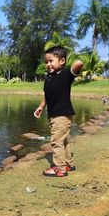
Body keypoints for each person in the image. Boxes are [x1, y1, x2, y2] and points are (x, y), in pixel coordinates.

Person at [34, 45, 83, 177]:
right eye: (46, 62)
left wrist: (78, 64)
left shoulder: (66, 74)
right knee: (64, 140)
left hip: (61, 114)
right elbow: (47, 95)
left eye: (51, 61)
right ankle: (68, 163)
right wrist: (41, 106)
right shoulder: (49, 78)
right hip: (54, 114)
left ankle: (60, 168)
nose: (48, 64)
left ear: (62, 61)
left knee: (56, 141)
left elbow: (78, 64)